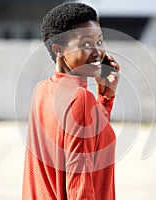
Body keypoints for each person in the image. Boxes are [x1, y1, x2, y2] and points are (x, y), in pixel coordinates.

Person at [22, 2, 120, 200]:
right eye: (85, 44)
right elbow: (79, 189)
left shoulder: (41, 91)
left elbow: (92, 143)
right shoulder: (80, 99)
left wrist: (105, 97)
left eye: (99, 41)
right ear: (59, 50)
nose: (97, 52)